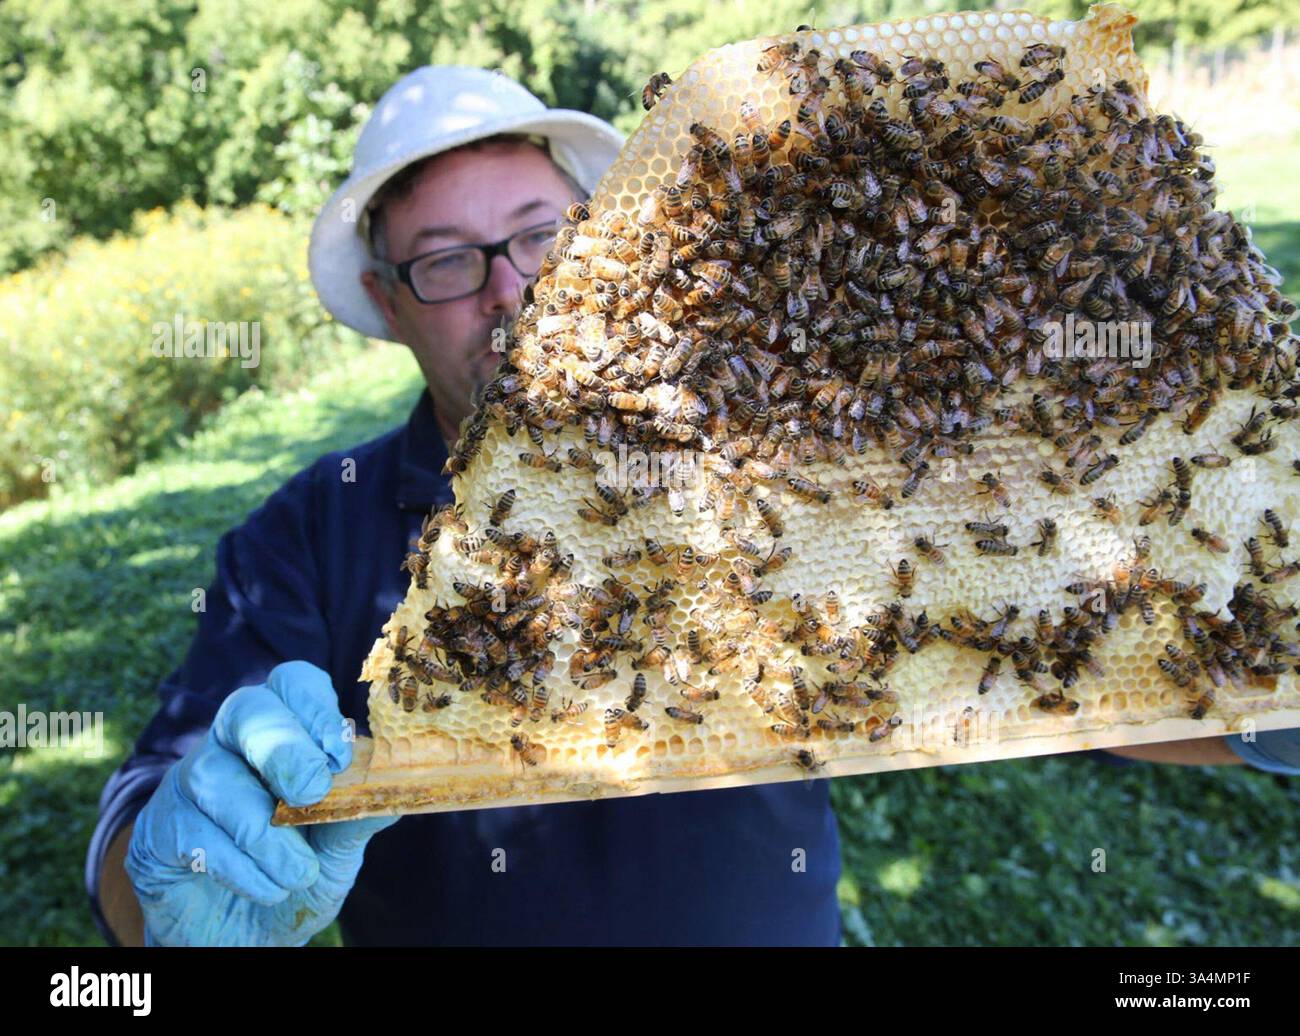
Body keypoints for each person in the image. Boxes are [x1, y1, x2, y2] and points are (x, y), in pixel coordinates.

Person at [87, 64, 1300, 949]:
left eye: (538, 235)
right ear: (386, 296)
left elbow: (1007, 665)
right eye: (448, 261)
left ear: (601, 241)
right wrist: (176, 865)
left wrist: (1266, 711)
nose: (509, 293)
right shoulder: (304, 533)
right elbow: (140, 839)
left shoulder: (754, 467)